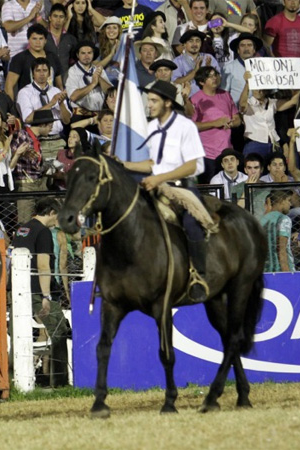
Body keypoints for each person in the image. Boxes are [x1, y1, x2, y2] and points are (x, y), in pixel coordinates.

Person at [121, 80, 208, 302]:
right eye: (148, 100)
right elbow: (152, 162)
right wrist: (125, 164)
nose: (148, 105)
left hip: (183, 188)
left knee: (191, 224)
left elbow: (192, 165)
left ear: (168, 103)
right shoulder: (151, 128)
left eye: (153, 100)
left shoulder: (185, 126)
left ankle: (199, 275)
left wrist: (161, 177)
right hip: (158, 187)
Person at [11, 197, 69, 387]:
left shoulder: (22, 229)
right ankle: (59, 381)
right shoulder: (43, 232)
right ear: (52, 212)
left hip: (19, 291)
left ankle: (17, 378)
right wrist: (46, 296)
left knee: (19, 335)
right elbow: (43, 265)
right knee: (60, 330)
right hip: (37, 292)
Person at [191, 66, 240, 183]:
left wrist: (232, 123)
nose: (214, 78)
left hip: (227, 153)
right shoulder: (195, 99)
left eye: (215, 75)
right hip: (207, 155)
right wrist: (215, 123)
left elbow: (237, 119)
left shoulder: (226, 95)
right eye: (209, 77)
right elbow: (191, 126)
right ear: (201, 82)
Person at [11, 110, 55, 224]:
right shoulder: (22, 134)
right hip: (26, 185)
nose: (51, 129)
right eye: (50, 126)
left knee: (47, 218)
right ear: (42, 125)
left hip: (39, 183)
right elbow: (11, 156)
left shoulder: (36, 139)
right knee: (25, 222)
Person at [5, 23, 64, 100]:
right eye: (34, 39)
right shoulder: (19, 58)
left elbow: (59, 85)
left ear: (45, 40)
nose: (38, 42)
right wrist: (11, 108)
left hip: (51, 102)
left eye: (41, 38)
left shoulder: (53, 57)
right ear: (28, 39)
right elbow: (9, 86)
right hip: (28, 102)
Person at [15, 58, 70, 138]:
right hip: (35, 139)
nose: (42, 74)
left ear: (49, 73)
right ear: (32, 73)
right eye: (38, 70)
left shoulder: (56, 91)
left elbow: (67, 121)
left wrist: (61, 104)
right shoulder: (24, 92)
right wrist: (51, 104)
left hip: (57, 138)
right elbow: (28, 119)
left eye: (45, 70)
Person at [66, 41, 110, 113]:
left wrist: (100, 79)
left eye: (89, 53)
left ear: (93, 54)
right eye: (83, 53)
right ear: (77, 55)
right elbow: (73, 97)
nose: (87, 56)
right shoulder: (72, 71)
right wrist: (93, 84)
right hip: (80, 115)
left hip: (99, 114)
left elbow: (110, 92)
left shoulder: (98, 70)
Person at [260, 189, 295, 273]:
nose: (290, 204)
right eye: (289, 200)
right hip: (280, 270)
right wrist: (286, 273)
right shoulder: (284, 219)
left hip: (265, 269)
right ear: (281, 201)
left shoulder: (262, 220)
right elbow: (281, 248)